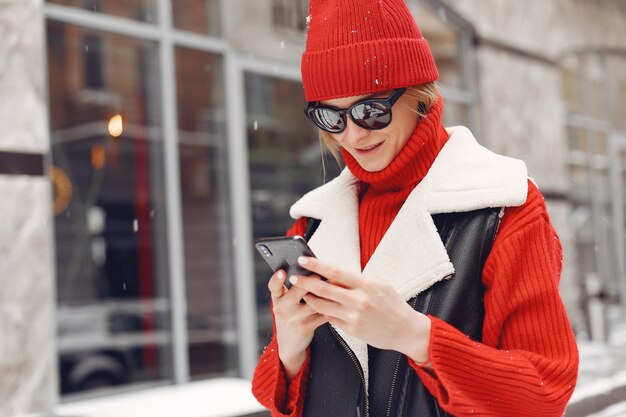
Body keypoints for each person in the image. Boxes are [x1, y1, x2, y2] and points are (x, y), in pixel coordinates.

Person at [251, 0, 579, 416]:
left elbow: (544, 393)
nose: (352, 136)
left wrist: (416, 336)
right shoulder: (313, 221)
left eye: (370, 111)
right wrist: (290, 352)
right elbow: (282, 402)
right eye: (330, 118)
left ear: (417, 93)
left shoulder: (502, 207)